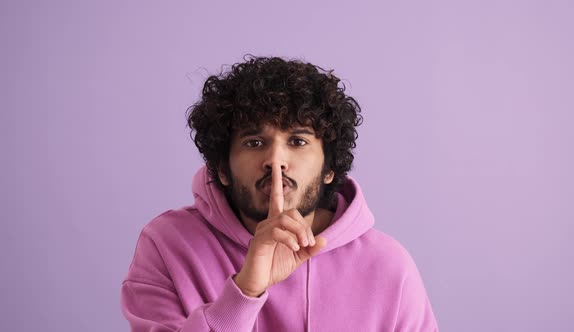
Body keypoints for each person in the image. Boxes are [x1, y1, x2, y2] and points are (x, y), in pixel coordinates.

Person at [120, 56, 439, 332]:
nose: (275, 160)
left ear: (330, 169)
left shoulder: (388, 265)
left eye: (298, 141)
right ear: (222, 169)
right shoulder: (167, 244)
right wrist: (245, 291)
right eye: (254, 142)